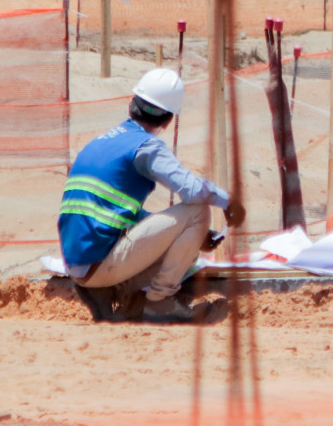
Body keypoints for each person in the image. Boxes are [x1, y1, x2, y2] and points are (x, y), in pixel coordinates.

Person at [59, 69, 243, 324]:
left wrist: (186, 235)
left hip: (78, 264)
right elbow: (190, 189)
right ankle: (159, 303)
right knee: (198, 211)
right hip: (99, 265)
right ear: (168, 121)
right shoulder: (146, 146)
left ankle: (107, 292)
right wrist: (228, 200)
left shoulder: (100, 143)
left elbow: (118, 212)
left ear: (130, 104)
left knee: (188, 223)